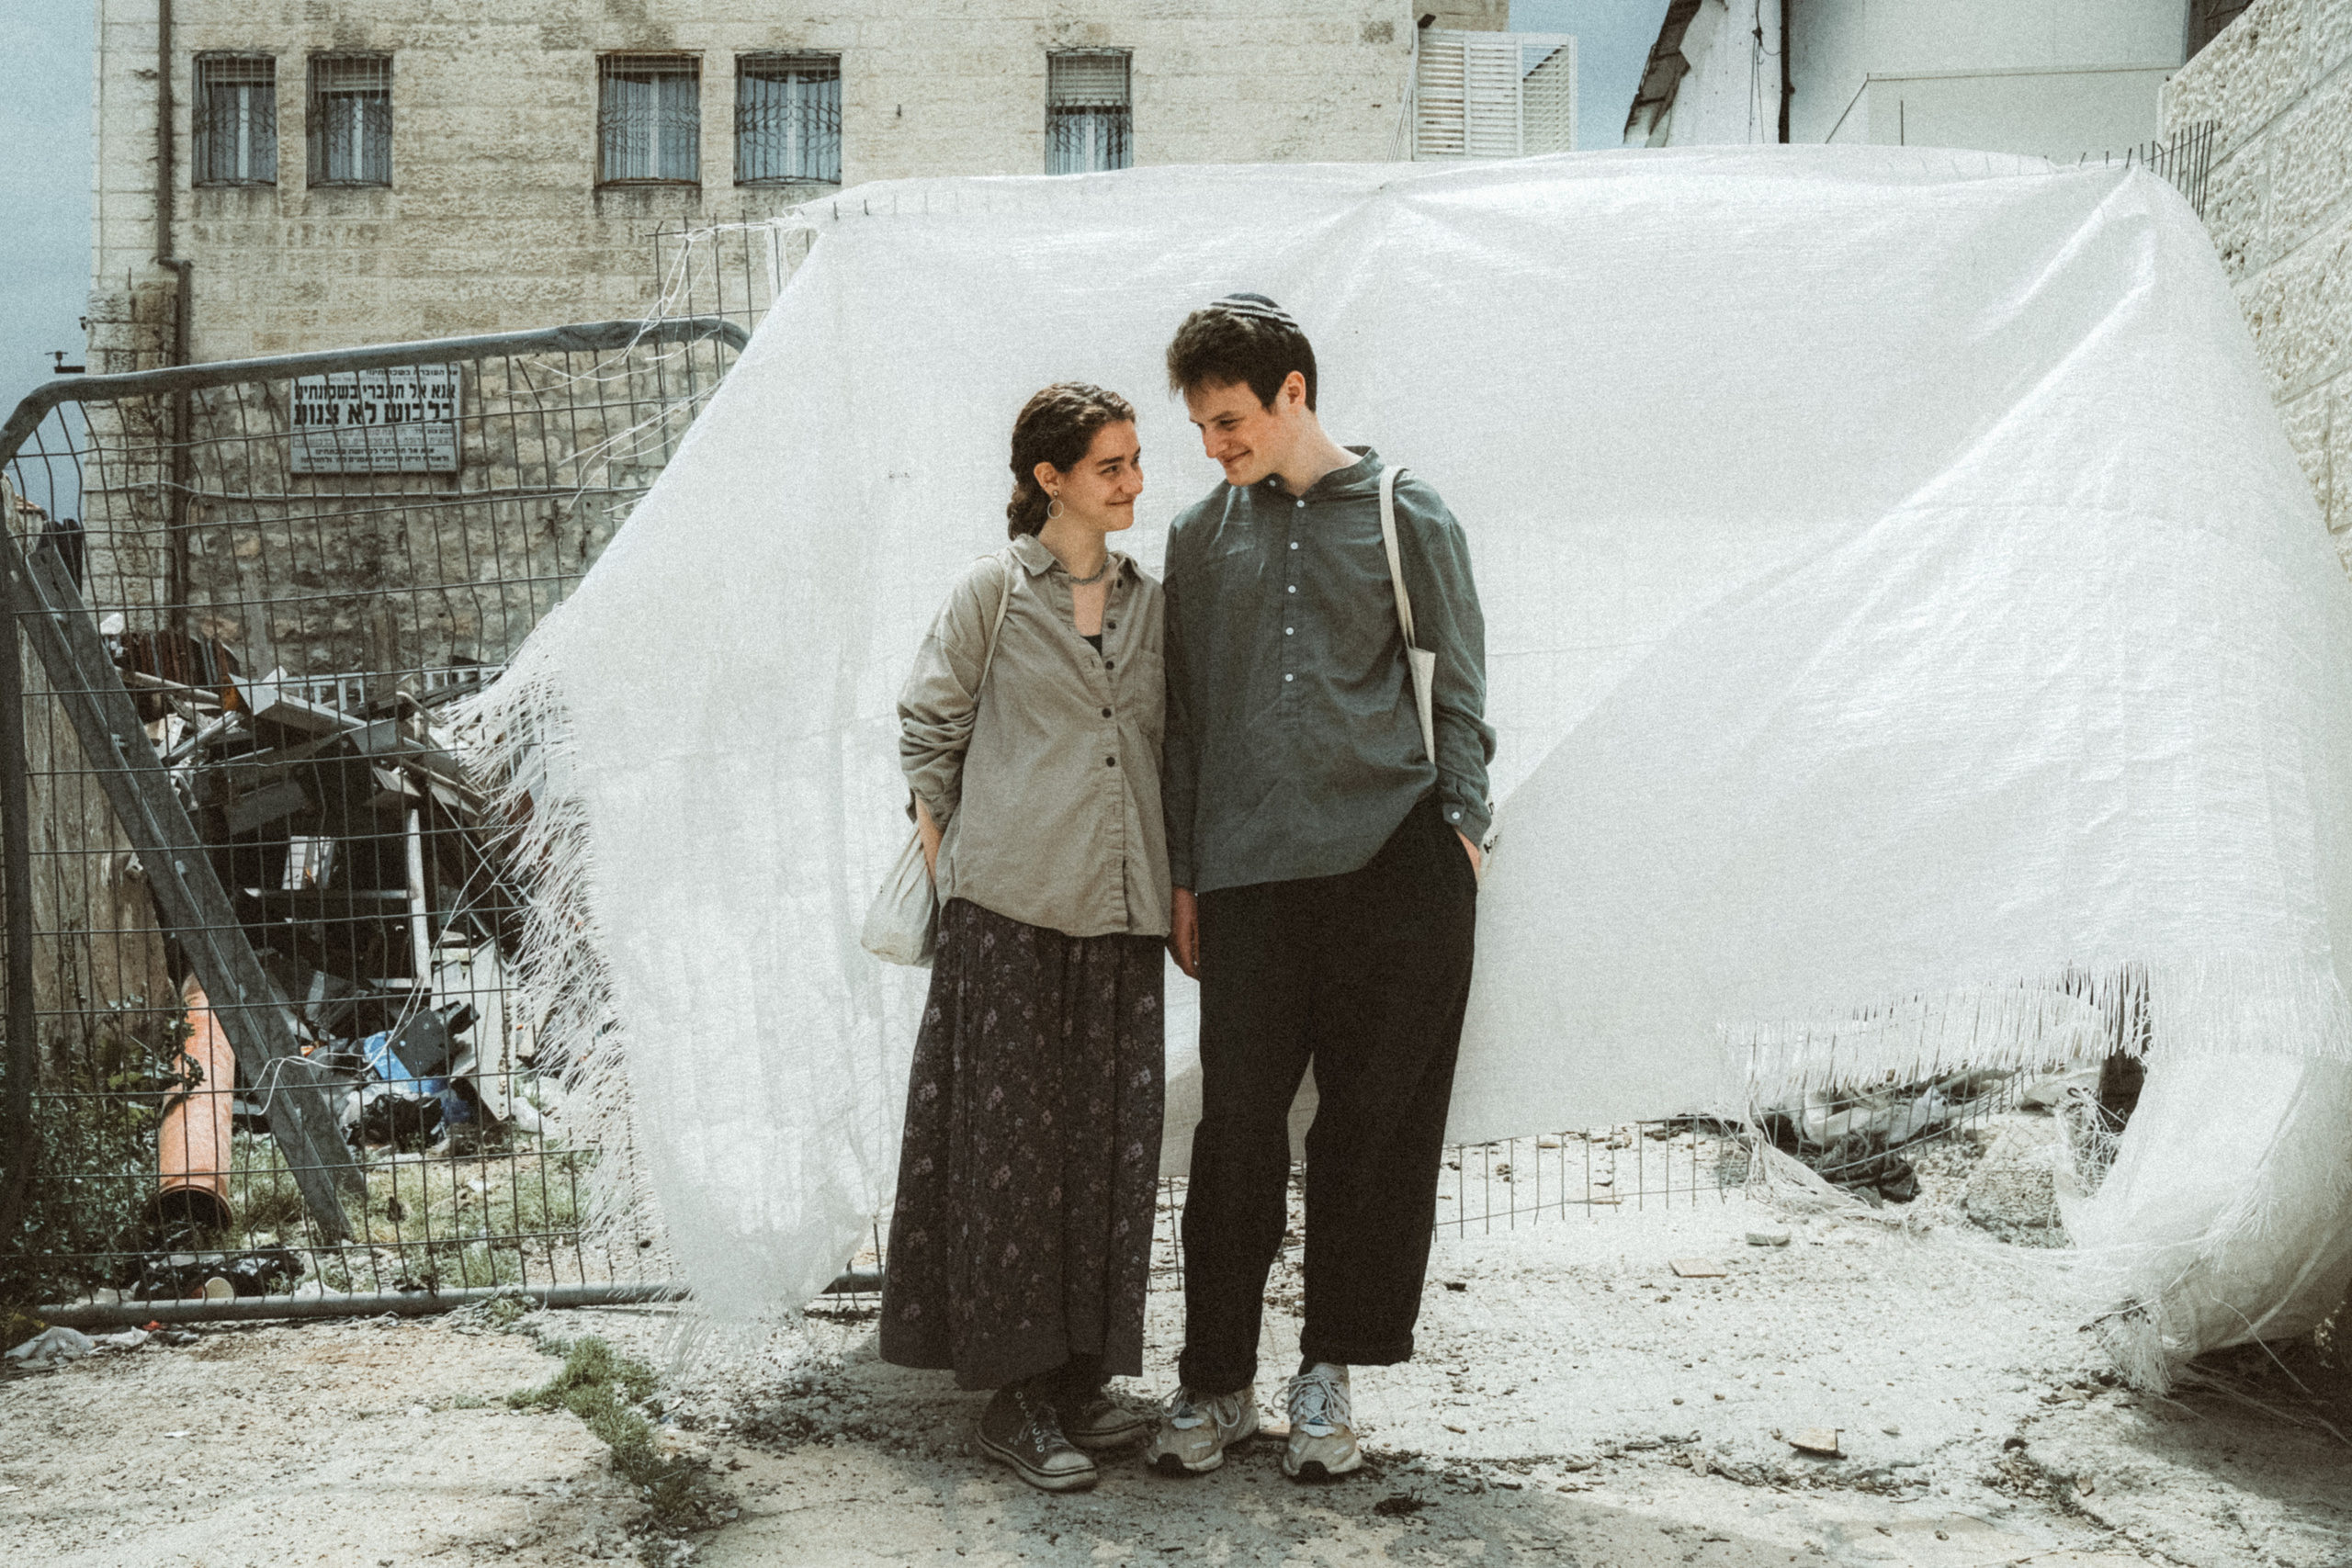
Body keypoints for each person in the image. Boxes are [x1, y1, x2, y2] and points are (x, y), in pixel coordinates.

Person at [1146, 294, 1494, 1483]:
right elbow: (1183, 720)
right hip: (1248, 882)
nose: (1214, 447)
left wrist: (1466, 834)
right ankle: (1214, 1382)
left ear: (1294, 390)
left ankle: (1329, 1375)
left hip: (1394, 870)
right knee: (1237, 1129)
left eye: (1230, 420)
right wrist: (1188, 874)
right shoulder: (1200, 538)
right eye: (1199, 425)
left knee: (1368, 1131)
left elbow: (1457, 688)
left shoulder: (1406, 513)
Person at [879, 383, 1170, 1494]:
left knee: (1107, 1149)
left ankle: (1080, 1383)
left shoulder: (1151, 603)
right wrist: (950, 855)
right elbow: (929, 726)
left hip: (1120, 912)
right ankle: (1013, 1399)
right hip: (1005, 915)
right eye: (1112, 466)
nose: (1135, 482)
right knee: (1010, 1159)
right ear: (1051, 479)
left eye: (1138, 460)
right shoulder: (989, 593)